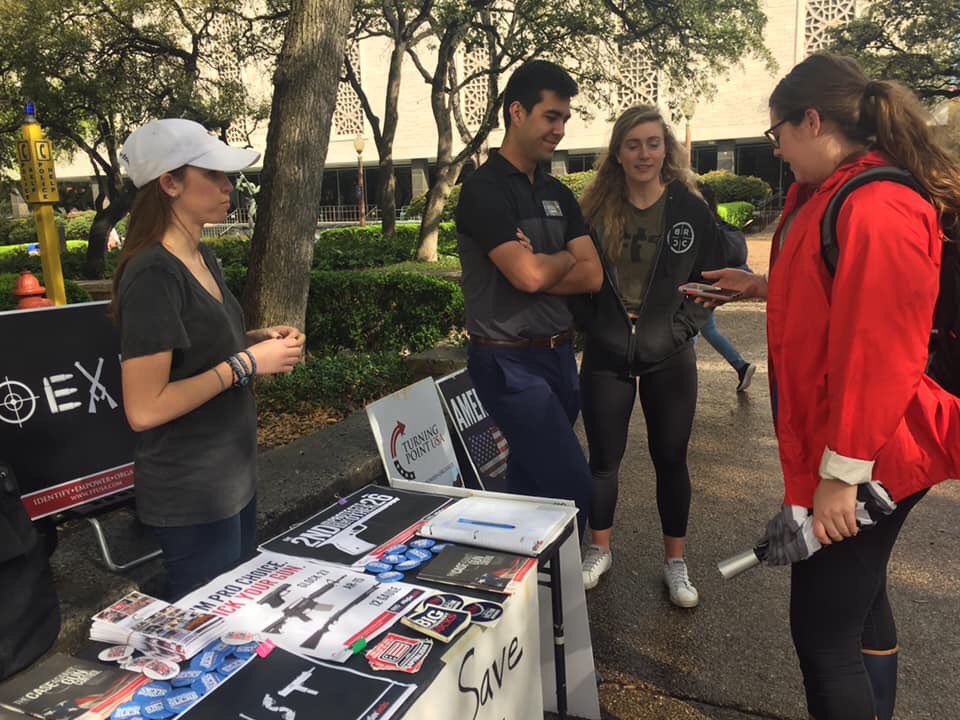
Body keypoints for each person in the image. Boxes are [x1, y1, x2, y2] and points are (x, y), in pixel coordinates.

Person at [703, 53, 960, 720]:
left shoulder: (877, 205)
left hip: (875, 451)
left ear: (810, 121)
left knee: (822, 632)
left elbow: (881, 353)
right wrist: (760, 286)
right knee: (859, 601)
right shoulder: (831, 195)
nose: (780, 151)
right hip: (857, 445)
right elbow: (835, 296)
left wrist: (840, 478)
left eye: (778, 136)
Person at [112, 119, 305, 599]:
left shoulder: (203, 258)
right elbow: (145, 407)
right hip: (192, 495)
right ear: (169, 184)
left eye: (228, 176)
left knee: (238, 617)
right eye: (213, 175)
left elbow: (196, 350)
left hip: (231, 479)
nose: (228, 187)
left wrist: (255, 340)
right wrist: (246, 363)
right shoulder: (154, 272)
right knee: (213, 633)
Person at [572, 105, 728, 606]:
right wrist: (596, 327)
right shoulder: (594, 211)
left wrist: (682, 329)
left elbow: (711, 279)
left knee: (671, 459)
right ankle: (600, 549)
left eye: (653, 143)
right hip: (608, 352)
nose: (644, 153)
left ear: (667, 149)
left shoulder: (689, 206)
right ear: (617, 152)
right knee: (603, 460)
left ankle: (675, 562)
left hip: (669, 353)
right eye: (633, 144)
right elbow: (574, 280)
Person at [455, 60, 603, 538]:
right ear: (516, 112)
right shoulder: (482, 191)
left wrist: (543, 261)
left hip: (560, 358)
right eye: (551, 116)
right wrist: (559, 260)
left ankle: (526, 601)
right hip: (507, 364)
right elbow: (527, 277)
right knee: (575, 492)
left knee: (529, 486)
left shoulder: (559, 191)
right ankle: (551, 598)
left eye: (564, 119)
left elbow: (593, 274)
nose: (559, 129)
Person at [695, 182, 756, 392]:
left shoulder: (702, 226)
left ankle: (684, 382)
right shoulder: (719, 223)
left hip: (701, 287)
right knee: (708, 329)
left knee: (691, 330)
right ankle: (741, 366)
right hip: (715, 285)